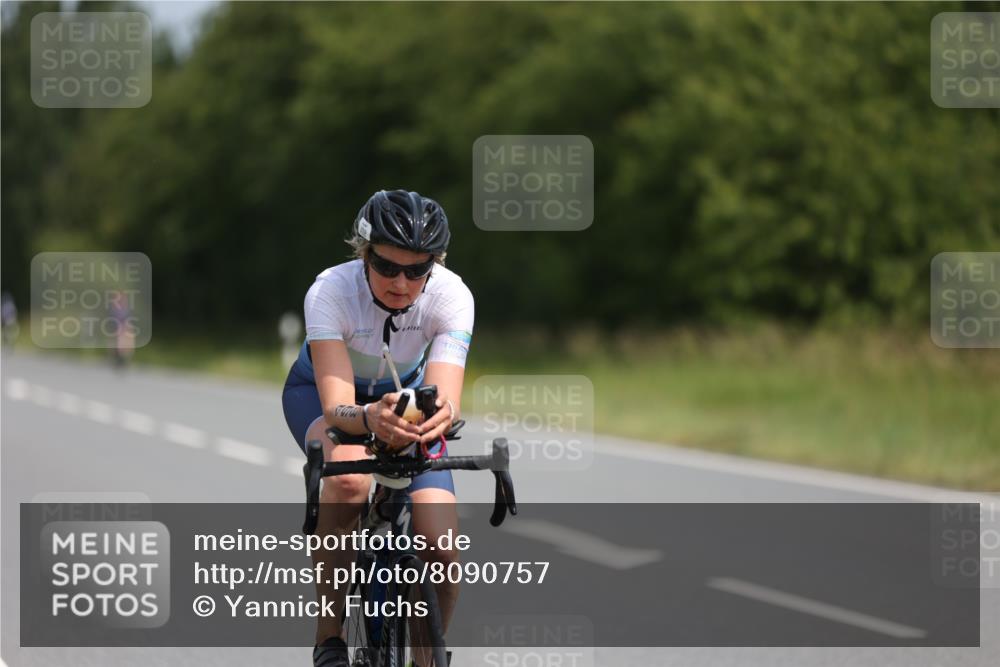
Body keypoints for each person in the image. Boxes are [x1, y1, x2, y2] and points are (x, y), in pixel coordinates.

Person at [281, 190, 473, 667]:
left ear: (434, 265)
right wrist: (369, 419)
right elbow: (338, 409)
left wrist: (437, 417)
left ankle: (425, 659)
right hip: (325, 396)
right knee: (347, 477)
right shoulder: (330, 291)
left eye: (416, 271)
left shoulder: (453, 296)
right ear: (364, 254)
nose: (401, 283)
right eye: (387, 267)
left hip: (402, 401)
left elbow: (444, 398)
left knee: (442, 550)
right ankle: (330, 639)